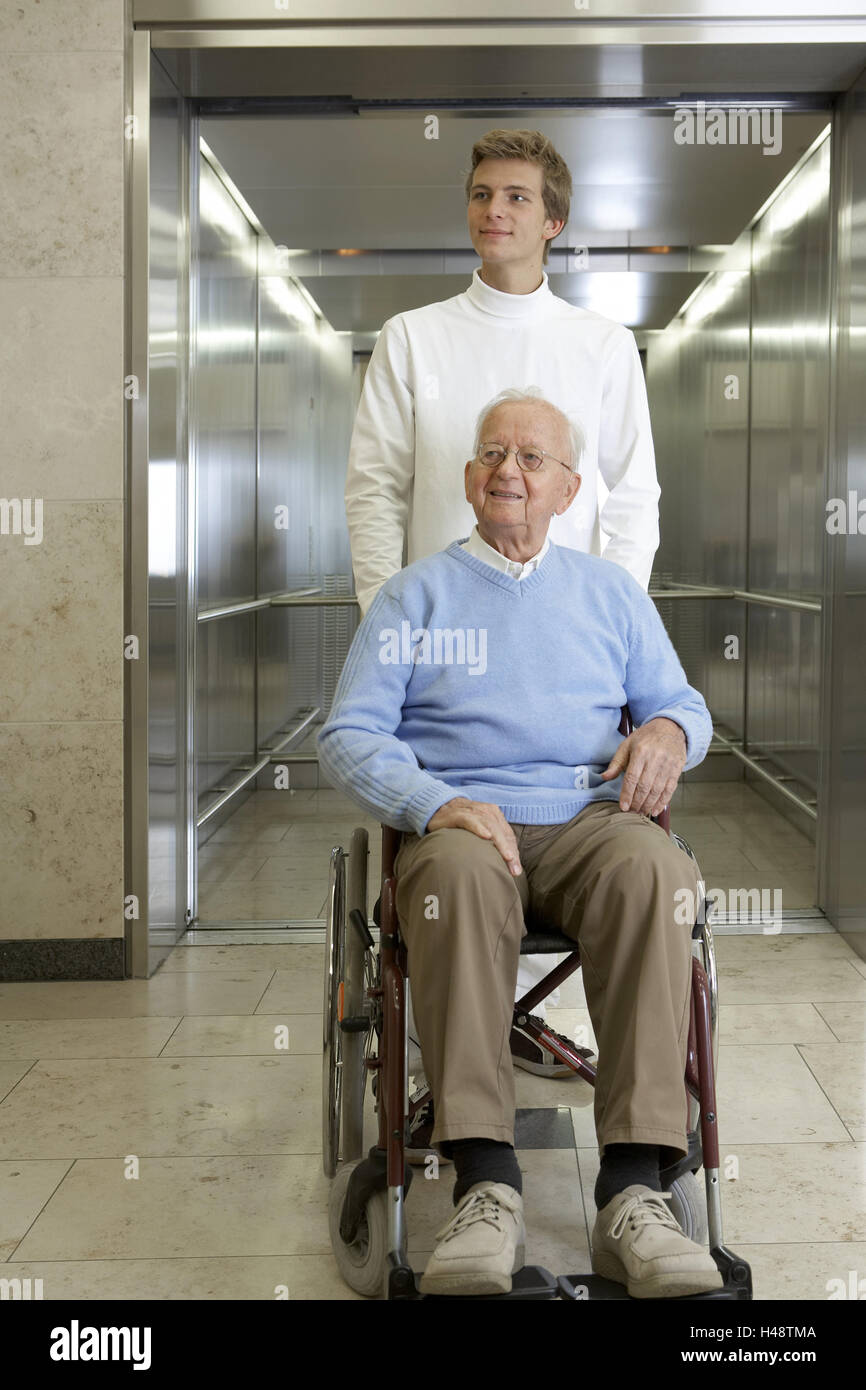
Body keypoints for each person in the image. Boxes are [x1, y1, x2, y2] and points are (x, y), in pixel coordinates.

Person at [318, 390, 722, 1299]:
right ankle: (486, 1184)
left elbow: (684, 705)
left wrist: (665, 734)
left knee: (659, 872)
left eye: (533, 459)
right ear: (468, 479)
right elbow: (348, 736)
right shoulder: (413, 595)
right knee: (454, 883)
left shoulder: (610, 593)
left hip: (587, 822)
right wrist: (433, 800)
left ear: (568, 489)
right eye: (494, 454)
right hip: (464, 823)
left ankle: (634, 1189)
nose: (510, 472)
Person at [344, 128, 661, 1090]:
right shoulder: (413, 338)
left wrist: (608, 646)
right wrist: (387, 631)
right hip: (438, 650)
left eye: (519, 197)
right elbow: (375, 493)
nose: (496, 211)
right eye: (483, 194)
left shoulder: (600, 345)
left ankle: (553, 1064)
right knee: (457, 861)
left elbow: (634, 497)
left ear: (553, 221)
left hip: (566, 648)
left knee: (617, 855)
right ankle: (467, 1072)